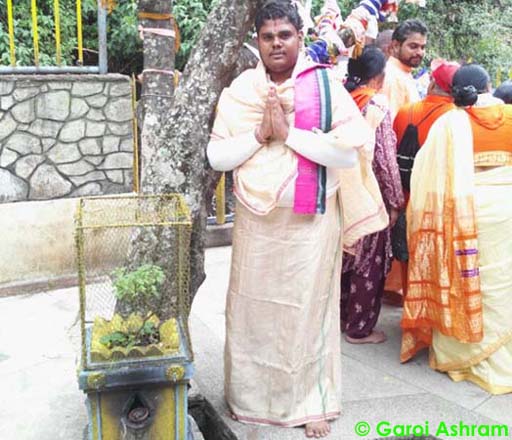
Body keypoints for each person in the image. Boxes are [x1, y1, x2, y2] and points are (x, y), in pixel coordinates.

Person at [207, 1, 375, 437]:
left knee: (310, 312)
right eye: (268, 36)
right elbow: (218, 156)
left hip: (311, 224)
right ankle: (250, 398)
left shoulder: (325, 87)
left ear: (299, 37)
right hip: (256, 223)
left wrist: (289, 134)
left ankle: (312, 401)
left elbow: (344, 152)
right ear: (257, 42)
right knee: (252, 311)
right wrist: (261, 134)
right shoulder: (243, 91)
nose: (277, 43)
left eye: (285, 34)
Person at [401, 64, 512, 394]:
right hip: (507, 209)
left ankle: (464, 352)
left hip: (467, 212)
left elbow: (425, 173)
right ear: (490, 86)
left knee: (468, 278)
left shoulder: (450, 122)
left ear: (453, 92)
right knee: (503, 284)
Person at [341, 46, 404, 344]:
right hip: (369, 195)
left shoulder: (343, 99)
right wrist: (395, 201)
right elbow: (384, 159)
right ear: (379, 77)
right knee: (369, 264)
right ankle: (359, 328)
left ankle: (341, 318)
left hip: (341, 192)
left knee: (344, 258)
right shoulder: (376, 105)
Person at [388, 59, 460, 302]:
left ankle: (410, 308)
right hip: (438, 199)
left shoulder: (406, 111)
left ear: (431, 83)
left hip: (408, 197)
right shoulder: (457, 118)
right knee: (436, 260)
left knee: (409, 254)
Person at [381, 19, 428, 120]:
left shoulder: (404, 73)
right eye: (413, 46)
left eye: (423, 47)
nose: (420, 52)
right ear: (395, 46)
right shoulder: (393, 76)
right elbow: (391, 123)